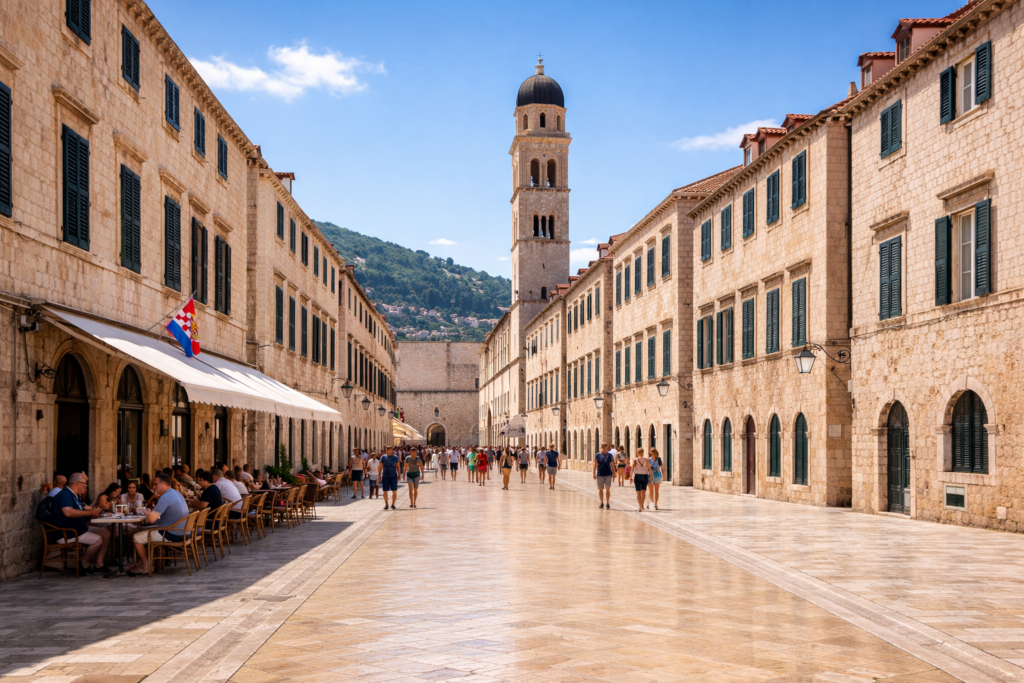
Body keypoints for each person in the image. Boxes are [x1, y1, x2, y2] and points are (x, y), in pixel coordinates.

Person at [127, 473, 190, 575]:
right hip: (183, 532)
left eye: (156, 484)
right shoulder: (176, 493)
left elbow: (151, 519)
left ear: (163, 484)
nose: (153, 487)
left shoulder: (166, 497)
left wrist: (143, 511)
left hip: (172, 533)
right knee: (140, 531)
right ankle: (146, 562)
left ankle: (146, 567)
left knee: (136, 537)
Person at [50, 472, 112, 575]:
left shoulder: (76, 495)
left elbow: (84, 507)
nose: (86, 486)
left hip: (79, 529)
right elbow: (68, 512)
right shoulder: (65, 494)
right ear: (78, 483)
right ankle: (84, 562)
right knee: (98, 540)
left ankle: (99, 564)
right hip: (67, 533)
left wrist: (100, 512)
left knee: (106, 533)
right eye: (85, 483)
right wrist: (91, 512)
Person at [594, 443, 615, 509]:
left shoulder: (610, 455)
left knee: (607, 488)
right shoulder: (598, 455)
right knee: (600, 489)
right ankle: (602, 502)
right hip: (600, 473)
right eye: (603, 447)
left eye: (605, 447)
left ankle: (608, 502)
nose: (604, 448)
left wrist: (614, 474)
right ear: (601, 447)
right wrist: (593, 474)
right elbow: (595, 464)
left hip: (608, 474)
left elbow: (612, 465)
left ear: (607, 447)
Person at [632, 448, 652, 512]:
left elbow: (632, 468)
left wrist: (630, 477)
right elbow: (649, 468)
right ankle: (642, 505)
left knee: (638, 492)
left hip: (637, 475)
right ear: (643, 452)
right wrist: (651, 477)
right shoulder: (646, 460)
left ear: (637, 453)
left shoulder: (635, 460)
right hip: (645, 476)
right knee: (643, 492)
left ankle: (639, 506)